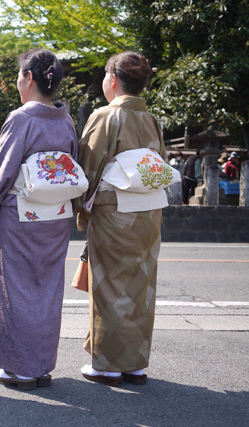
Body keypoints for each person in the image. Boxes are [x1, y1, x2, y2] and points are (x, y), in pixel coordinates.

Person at [0, 48, 77, 389]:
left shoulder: (21, 118)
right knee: (47, 290)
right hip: (56, 216)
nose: (19, 82)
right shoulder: (65, 120)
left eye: (20, 76)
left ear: (29, 78)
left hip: (21, 215)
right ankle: (41, 366)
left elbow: (2, 174)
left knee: (16, 291)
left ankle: (19, 368)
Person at [75, 51, 165, 386]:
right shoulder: (150, 119)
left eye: (104, 74)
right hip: (150, 211)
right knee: (140, 286)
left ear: (112, 79)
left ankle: (108, 365)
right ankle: (135, 364)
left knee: (110, 286)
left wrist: (81, 208)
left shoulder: (106, 116)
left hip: (115, 213)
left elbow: (88, 168)